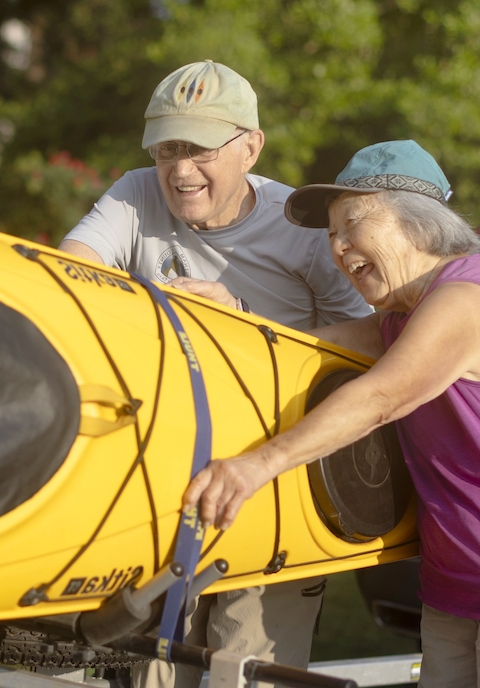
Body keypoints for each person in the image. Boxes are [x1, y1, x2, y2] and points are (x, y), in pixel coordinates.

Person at [181, 140, 480, 688]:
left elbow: (378, 399)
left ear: (419, 223)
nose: (340, 248)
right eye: (331, 234)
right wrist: (230, 321)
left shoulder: (465, 301)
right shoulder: (402, 317)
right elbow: (295, 347)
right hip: (461, 582)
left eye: (353, 223)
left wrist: (254, 467)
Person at [59, 60, 372, 688]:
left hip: (277, 479)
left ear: (249, 147)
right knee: (146, 667)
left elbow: (366, 353)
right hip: (163, 474)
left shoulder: (306, 229)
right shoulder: (136, 191)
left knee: (248, 668)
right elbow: (69, 274)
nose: (179, 171)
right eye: (167, 148)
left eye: (199, 149)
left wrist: (241, 323)